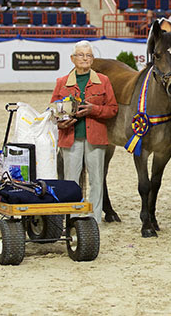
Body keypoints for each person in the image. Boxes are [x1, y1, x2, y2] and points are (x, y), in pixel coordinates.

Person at [51, 40, 118, 224]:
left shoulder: (103, 81)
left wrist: (93, 110)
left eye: (88, 55)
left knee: (96, 181)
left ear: (93, 59)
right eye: (81, 55)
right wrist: (61, 123)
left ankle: (94, 221)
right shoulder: (62, 82)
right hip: (70, 138)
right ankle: (72, 220)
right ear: (73, 59)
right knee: (71, 182)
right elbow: (53, 111)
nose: (85, 59)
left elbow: (112, 109)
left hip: (95, 139)